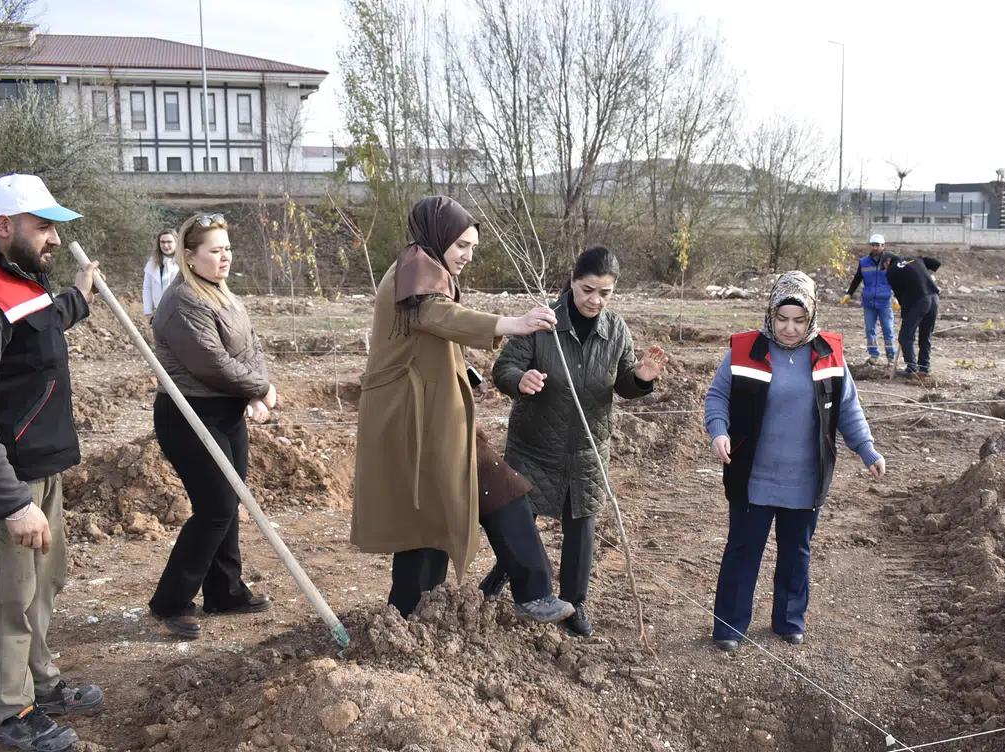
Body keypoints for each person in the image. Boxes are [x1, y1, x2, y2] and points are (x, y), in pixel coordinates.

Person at [350, 195, 576, 623]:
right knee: (440, 511)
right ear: (437, 240)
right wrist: (510, 323)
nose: (469, 256)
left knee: (460, 503)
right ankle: (416, 617)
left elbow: (424, 340)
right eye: (462, 246)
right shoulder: (415, 274)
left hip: (435, 415)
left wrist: (461, 373)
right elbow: (441, 317)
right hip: (413, 421)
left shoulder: (420, 269)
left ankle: (421, 614)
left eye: (473, 246)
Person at [0, 173, 105, 752]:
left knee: (42, 583)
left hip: (39, 463)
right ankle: (13, 710)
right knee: (8, 596)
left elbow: (40, 327)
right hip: (6, 476)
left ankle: (41, 683)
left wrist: (79, 299)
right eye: (44, 227)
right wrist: (10, 500)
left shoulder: (14, 276)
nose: (56, 241)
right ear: (4, 225)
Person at [486, 247, 667, 636]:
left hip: (587, 448)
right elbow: (504, 367)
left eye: (605, 293)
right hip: (534, 445)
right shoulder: (543, 323)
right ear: (572, 281)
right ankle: (501, 581)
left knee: (581, 528)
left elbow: (622, 383)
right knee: (520, 524)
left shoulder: (616, 329)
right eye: (588, 290)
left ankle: (575, 604)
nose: (595, 300)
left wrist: (643, 377)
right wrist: (521, 380)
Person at [704, 272, 886, 652]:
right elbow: (718, 396)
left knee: (796, 554)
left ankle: (789, 621)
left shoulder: (830, 353)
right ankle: (729, 628)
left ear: (812, 316)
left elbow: (848, 410)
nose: (789, 328)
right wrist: (718, 431)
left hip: (805, 477)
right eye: (782, 318)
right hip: (752, 476)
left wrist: (867, 450)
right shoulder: (745, 349)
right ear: (771, 313)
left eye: (799, 320)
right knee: (742, 551)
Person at [147, 212, 276, 639]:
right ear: (190, 256)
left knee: (230, 502)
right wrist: (260, 386)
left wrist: (258, 389)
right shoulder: (184, 300)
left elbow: (251, 346)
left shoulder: (222, 294)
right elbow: (212, 363)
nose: (225, 258)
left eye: (227, 249)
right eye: (215, 251)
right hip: (189, 415)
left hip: (226, 412)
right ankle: (171, 600)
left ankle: (224, 591)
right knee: (216, 506)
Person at [841, 234, 899, 365]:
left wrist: (897, 297)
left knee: (888, 329)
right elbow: (857, 279)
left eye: (878, 245)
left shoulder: (890, 261)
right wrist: (849, 294)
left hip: (885, 301)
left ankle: (890, 356)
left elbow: (898, 279)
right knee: (870, 329)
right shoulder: (864, 262)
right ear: (870, 246)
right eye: (873, 244)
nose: (875, 247)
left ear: (883, 246)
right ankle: (873, 355)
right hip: (868, 301)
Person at [884, 254, 942, 378]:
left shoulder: (891, 271)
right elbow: (936, 263)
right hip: (934, 297)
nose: (884, 269)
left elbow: (901, 295)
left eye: (884, 266)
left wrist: (904, 313)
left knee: (905, 336)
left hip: (920, 301)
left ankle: (912, 368)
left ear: (888, 262)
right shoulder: (914, 258)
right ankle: (924, 368)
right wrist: (923, 276)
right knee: (926, 334)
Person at [142, 229, 179, 325]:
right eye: (162, 242)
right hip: (161, 313)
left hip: (180, 312)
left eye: (169, 242)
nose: (165, 245)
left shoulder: (184, 262)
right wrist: (148, 312)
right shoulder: (152, 262)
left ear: (176, 242)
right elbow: (147, 287)